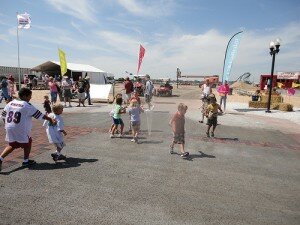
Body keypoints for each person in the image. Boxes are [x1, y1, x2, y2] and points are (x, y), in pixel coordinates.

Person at [0, 88, 56, 172]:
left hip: (9, 127)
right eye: (29, 96)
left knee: (12, 144)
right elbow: (39, 115)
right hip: (20, 128)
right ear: (25, 96)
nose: (30, 98)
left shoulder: (10, 103)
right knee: (28, 142)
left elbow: (3, 116)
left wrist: (7, 125)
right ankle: (26, 161)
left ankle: (0, 158)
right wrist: (50, 119)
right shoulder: (27, 105)